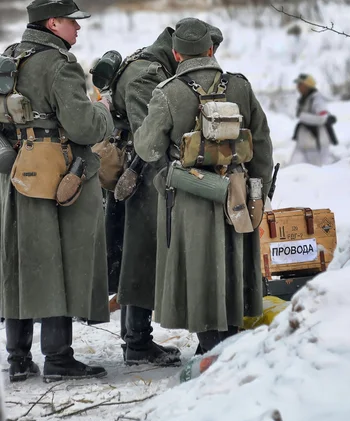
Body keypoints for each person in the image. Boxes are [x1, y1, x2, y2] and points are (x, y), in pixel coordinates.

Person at [134, 19, 274, 353]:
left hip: (190, 194)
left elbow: (148, 148)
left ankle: (209, 345)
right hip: (237, 192)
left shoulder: (168, 92)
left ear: (176, 53)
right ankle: (229, 342)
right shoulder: (240, 86)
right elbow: (263, 142)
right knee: (234, 263)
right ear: (211, 49)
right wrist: (260, 190)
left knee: (198, 266)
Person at [0, 0, 113, 382]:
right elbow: (83, 126)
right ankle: (59, 358)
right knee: (59, 260)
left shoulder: (11, 56)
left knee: (20, 261)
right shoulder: (60, 64)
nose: (77, 27)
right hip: (56, 174)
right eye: (72, 21)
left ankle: (17, 358)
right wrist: (103, 113)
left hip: (14, 171)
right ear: (53, 24)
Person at [107, 19, 224, 366]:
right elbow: (152, 143)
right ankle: (137, 342)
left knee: (143, 255)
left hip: (156, 173)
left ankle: (138, 340)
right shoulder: (148, 73)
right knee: (141, 256)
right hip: (146, 175)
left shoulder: (158, 66)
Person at [290, 73, 337, 167]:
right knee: (293, 170)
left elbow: (322, 118)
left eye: (300, 84)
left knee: (318, 173)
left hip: (316, 145)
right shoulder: (305, 99)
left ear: (307, 85)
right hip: (304, 144)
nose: (298, 87)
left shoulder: (317, 99)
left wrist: (303, 117)